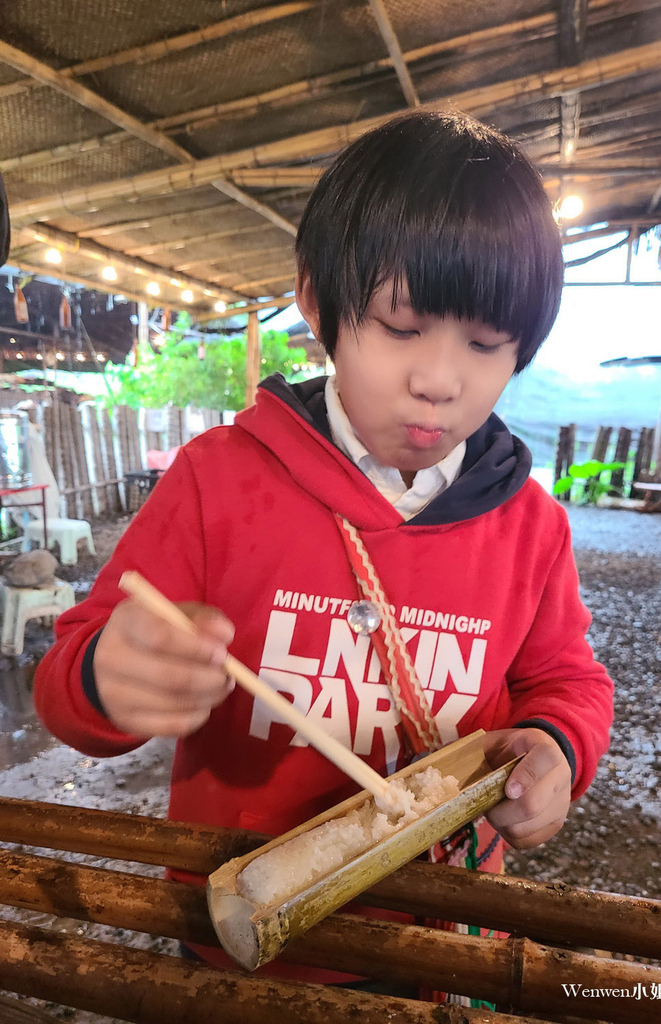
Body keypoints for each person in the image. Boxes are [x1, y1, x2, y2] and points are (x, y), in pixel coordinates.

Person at [32, 111, 613, 978]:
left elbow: (567, 681)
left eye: (488, 345)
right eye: (401, 326)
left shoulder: (528, 523)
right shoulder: (217, 482)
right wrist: (106, 680)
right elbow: (65, 681)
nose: (440, 381)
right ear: (317, 302)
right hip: (241, 929)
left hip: (443, 929)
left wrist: (557, 750)